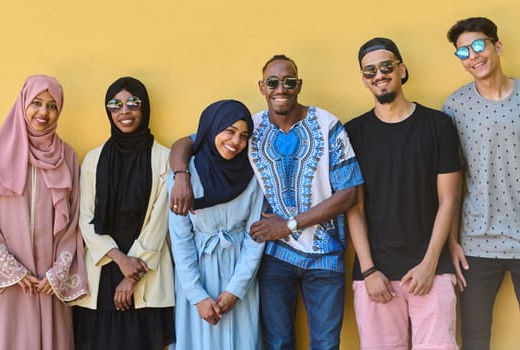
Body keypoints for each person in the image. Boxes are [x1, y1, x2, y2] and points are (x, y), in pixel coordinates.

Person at [169, 55, 363, 350]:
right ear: (262, 86)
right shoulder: (252, 128)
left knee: (325, 343)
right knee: (279, 342)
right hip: (275, 257)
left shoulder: (328, 125)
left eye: (289, 82)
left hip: (324, 254)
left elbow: (349, 193)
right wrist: (181, 175)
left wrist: (290, 225)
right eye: (273, 82)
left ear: (299, 85)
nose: (281, 88)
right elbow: (188, 141)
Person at [345, 38, 462, 350]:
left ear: (401, 69)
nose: (379, 75)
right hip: (376, 274)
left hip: (432, 270)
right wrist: (368, 269)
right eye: (370, 71)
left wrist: (431, 263)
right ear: (363, 79)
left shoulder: (438, 125)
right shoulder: (353, 133)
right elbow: (353, 207)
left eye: (386, 67)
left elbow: (449, 199)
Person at [73, 77, 175, 350]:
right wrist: (119, 260)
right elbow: (86, 217)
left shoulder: (164, 158)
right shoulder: (94, 159)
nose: (124, 111)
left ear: (145, 108)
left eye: (133, 103)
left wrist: (131, 275)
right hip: (104, 269)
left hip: (145, 271)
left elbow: (160, 220)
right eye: (115, 105)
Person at [443, 17, 520, 350]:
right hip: (476, 243)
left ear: (496, 46)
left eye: (478, 45)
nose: (472, 56)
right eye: (463, 51)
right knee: (475, 339)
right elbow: (450, 183)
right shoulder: (454, 107)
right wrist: (451, 242)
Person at [0, 74, 88, 350]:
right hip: (9, 284)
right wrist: (10, 268)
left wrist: (58, 272)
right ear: (23, 102)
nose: (43, 113)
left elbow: (73, 221)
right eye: (36, 103)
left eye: (52, 106)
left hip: (49, 285)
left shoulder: (67, 156)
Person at [168, 99, 265, 350]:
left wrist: (236, 289)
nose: (235, 142)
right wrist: (197, 296)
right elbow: (180, 240)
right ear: (212, 129)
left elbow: (255, 236)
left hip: (240, 272)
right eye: (229, 131)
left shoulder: (253, 174)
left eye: (244, 136)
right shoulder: (185, 176)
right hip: (198, 273)